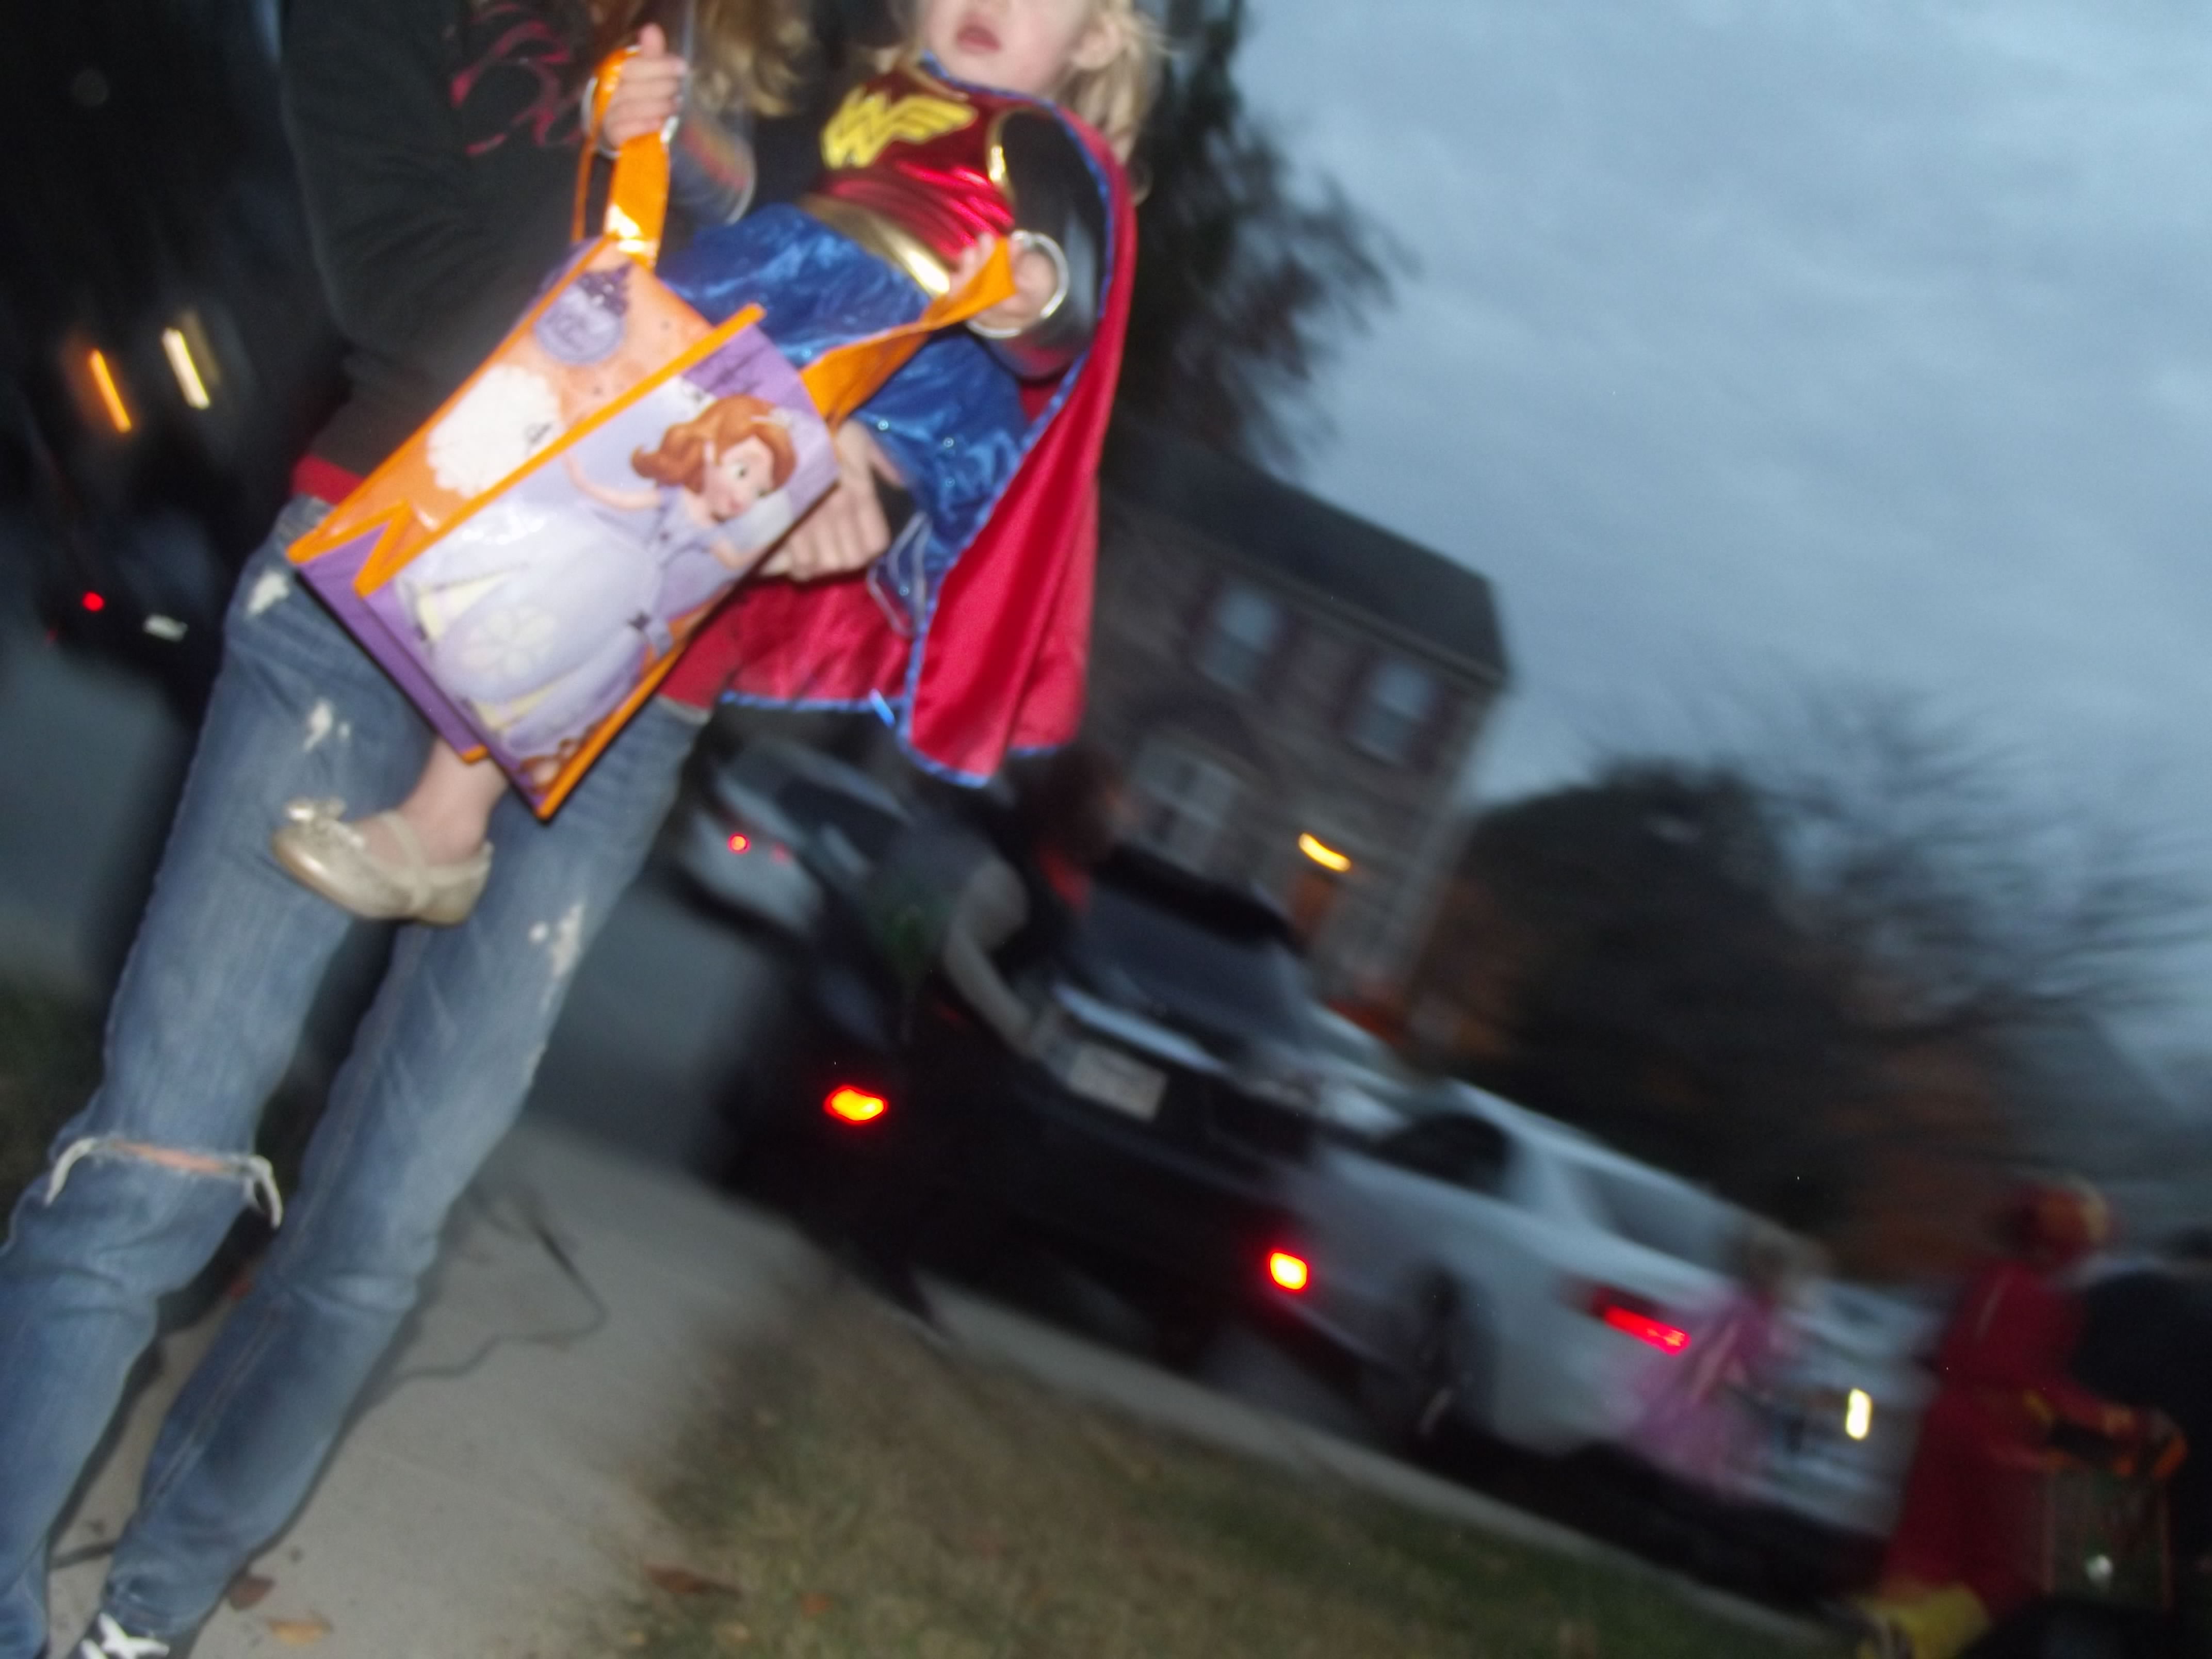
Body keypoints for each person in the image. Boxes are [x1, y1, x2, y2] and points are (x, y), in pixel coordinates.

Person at [0, 3, 850, 1655]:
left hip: (632, 686)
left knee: (379, 1239)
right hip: (382, 571)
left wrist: (858, 454)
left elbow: (898, 311)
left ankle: (147, 1621)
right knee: (159, 1162)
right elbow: (395, 281)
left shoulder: (797, 43)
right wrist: (648, 264)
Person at [270, 0, 1161, 925]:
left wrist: (1022, 297)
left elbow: (1064, 311)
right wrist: (647, 121)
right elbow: (737, 185)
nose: (991, 3)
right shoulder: (879, 87)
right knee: (604, 494)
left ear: (1097, 37)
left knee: (627, 535)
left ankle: (444, 824)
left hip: (898, 366)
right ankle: (441, 722)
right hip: (782, 305)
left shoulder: (1041, 143)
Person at [1853, 1180, 2179, 1659]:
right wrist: (2115, 1420)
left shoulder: (1983, 1278)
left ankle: (1880, 1647)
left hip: (1942, 1423)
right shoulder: (2047, 1303)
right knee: (2008, 1570)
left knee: (1921, 1552)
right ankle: (1919, 1641)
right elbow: (2030, 1382)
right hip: (1994, 1441)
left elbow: (1938, 1354)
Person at [1627, 1220, 1816, 1504]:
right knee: (1683, 1465)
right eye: (1774, 1268)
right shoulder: (1740, 1310)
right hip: (1708, 1404)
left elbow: (1765, 1366)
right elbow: (1710, 1355)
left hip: (1723, 1408)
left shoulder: (1765, 1316)